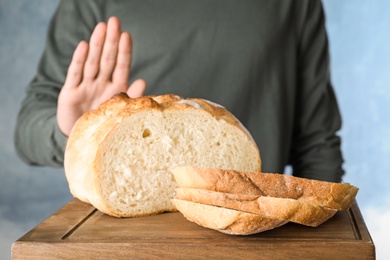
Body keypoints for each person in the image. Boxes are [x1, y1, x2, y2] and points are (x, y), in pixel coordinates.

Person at [14, 0, 345, 182]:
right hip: (122, 241)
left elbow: (317, 144)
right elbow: (28, 131)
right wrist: (79, 130)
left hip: (251, 240)